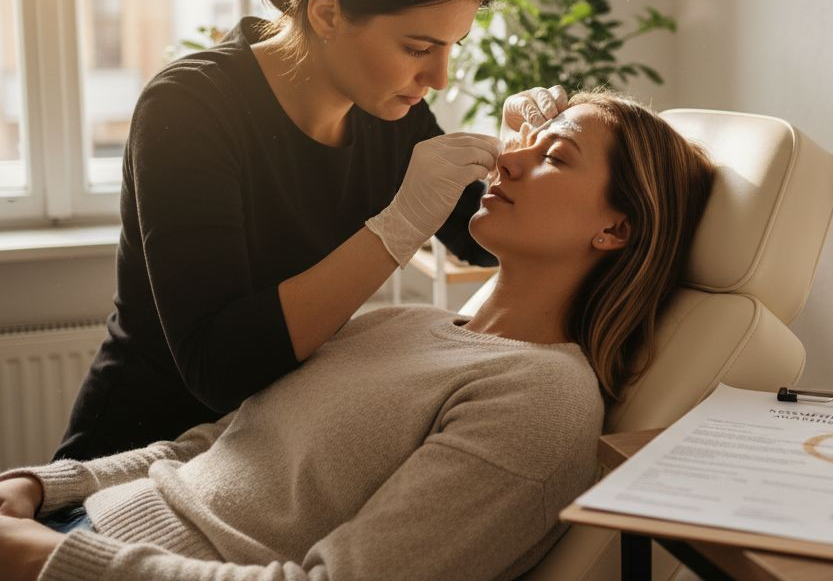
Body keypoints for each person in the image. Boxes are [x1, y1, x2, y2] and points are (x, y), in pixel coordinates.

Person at [0, 92, 717, 581]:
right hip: (73, 526)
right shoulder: (396, 321)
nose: (507, 160)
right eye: (522, 144)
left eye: (554, 157)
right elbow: (207, 449)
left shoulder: (540, 400)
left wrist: (50, 562)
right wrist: (39, 486)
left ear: (616, 228)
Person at [56, 0, 570, 462]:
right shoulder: (190, 107)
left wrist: (523, 155)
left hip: (265, 457)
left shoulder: (390, 113)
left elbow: (477, 241)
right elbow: (220, 367)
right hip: (137, 453)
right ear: (326, 13)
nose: (438, 79)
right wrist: (399, 225)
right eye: (418, 48)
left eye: (452, 48)